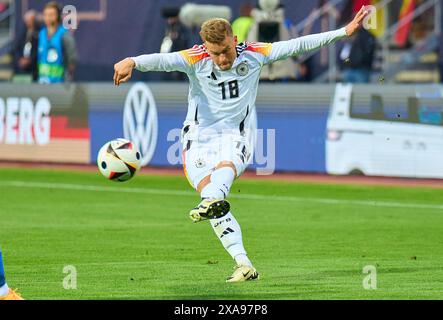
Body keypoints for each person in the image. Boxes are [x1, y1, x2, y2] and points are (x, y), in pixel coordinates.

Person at [113, 7, 369, 282]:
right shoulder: (196, 58)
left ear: (234, 39)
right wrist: (132, 61)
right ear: (205, 48)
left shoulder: (254, 54)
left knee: (217, 189)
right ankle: (243, 263)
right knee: (212, 202)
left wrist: (344, 32)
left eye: (225, 50)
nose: (221, 59)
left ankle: (214, 197)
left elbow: (298, 45)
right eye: (215, 53)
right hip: (198, 137)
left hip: (238, 134)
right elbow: (162, 60)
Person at [37, 1, 77, 83]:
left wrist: (68, 78)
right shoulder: (41, 34)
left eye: (51, 15)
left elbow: (72, 59)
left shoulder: (64, 35)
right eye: (46, 15)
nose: (48, 18)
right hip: (42, 81)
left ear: (58, 16)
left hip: (60, 83)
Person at [13, 10, 40, 81]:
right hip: (21, 67)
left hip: (33, 67)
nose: (28, 22)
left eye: (30, 20)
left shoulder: (39, 33)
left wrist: (30, 60)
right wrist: (20, 59)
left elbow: (39, 49)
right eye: (27, 20)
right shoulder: (22, 33)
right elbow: (16, 48)